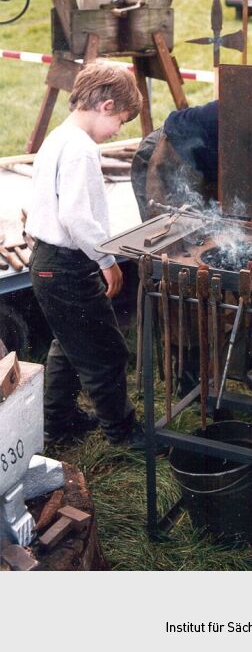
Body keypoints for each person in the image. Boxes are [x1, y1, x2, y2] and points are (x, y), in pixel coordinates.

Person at [27, 61, 144, 447]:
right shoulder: (80, 150)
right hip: (65, 264)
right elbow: (76, 216)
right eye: (122, 121)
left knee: (69, 339)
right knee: (105, 351)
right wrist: (106, 259)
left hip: (47, 261)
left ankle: (55, 424)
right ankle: (122, 432)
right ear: (107, 106)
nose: (118, 131)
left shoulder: (59, 137)